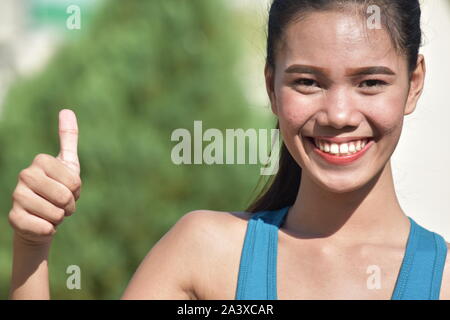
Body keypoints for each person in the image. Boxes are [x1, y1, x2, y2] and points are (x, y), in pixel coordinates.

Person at [8, 0, 449, 300]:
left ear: (413, 84)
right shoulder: (203, 254)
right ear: (271, 88)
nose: (337, 114)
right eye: (307, 82)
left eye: (370, 82)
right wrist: (32, 248)